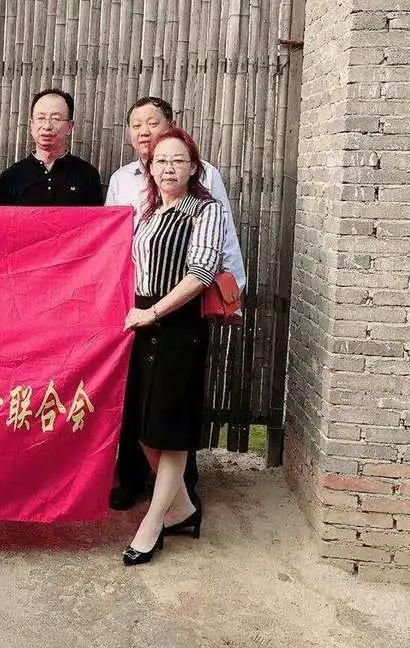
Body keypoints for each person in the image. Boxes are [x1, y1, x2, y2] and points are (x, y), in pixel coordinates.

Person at [106, 96, 246, 512]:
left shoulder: (205, 195)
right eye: (137, 124)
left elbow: (215, 252)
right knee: (140, 414)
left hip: (179, 313)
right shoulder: (133, 192)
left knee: (172, 417)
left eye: (153, 123)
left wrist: (233, 292)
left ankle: (170, 508)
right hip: (138, 310)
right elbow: (114, 243)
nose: (145, 131)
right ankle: (159, 496)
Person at [120, 127, 224, 565]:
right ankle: (182, 509)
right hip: (142, 321)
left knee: (171, 429)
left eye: (178, 160)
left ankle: (153, 523)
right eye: (160, 160)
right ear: (150, 167)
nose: (168, 168)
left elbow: (201, 274)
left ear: (193, 167)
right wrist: (139, 314)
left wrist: (154, 312)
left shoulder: (205, 210)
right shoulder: (147, 212)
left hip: (179, 325)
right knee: (142, 424)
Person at [0, 88, 102, 206]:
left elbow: (97, 218)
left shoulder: (88, 175)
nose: (47, 126)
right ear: (31, 125)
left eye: (55, 119)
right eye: (41, 118)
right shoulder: (11, 177)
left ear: (69, 126)